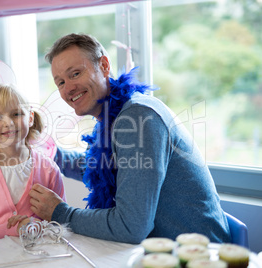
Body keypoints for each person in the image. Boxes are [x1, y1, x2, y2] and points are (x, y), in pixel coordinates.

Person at [28, 33, 231, 244]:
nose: (68, 88)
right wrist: (48, 151)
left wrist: (60, 213)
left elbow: (130, 226)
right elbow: (99, 168)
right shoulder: (112, 117)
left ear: (104, 66)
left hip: (199, 255)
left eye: (75, 74)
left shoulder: (138, 117)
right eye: (60, 82)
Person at [0, 84, 66, 251]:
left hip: (32, 255)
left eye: (16, 114)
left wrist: (37, 226)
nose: (8, 122)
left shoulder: (49, 169)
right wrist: (18, 228)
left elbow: (60, 222)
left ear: (30, 118)